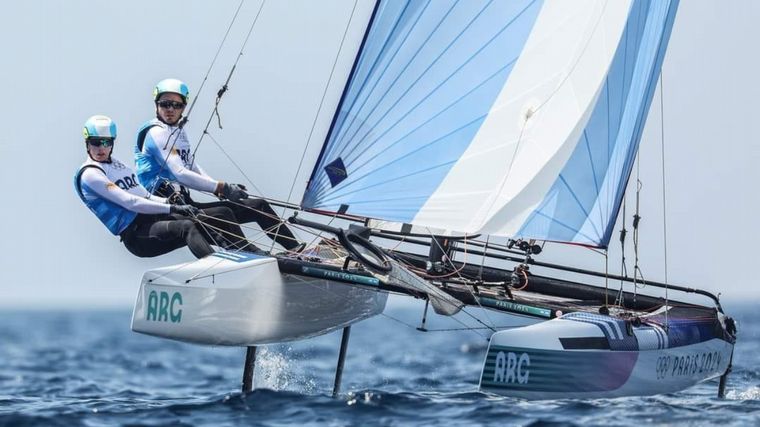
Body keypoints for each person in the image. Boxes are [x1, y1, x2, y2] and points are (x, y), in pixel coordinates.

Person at [133, 78, 302, 252]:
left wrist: (223, 189)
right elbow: (180, 173)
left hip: (186, 201)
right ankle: (254, 257)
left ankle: (297, 251)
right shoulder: (156, 132)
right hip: (165, 209)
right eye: (165, 104)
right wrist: (220, 187)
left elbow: (191, 166)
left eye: (177, 105)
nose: (170, 109)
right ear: (156, 105)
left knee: (258, 206)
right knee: (223, 214)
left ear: (184, 107)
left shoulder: (178, 131)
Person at [75, 115, 256, 259]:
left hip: (152, 220)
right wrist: (172, 207)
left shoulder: (116, 165)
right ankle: (216, 269)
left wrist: (170, 202)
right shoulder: (91, 175)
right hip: (137, 236)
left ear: (112, 143)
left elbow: (144, 195)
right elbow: (131, 202)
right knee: (186, 226)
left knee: (218, 214)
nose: (101, 148)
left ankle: (253, 256)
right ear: (87, 143)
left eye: (106, 142)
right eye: (95, 142)